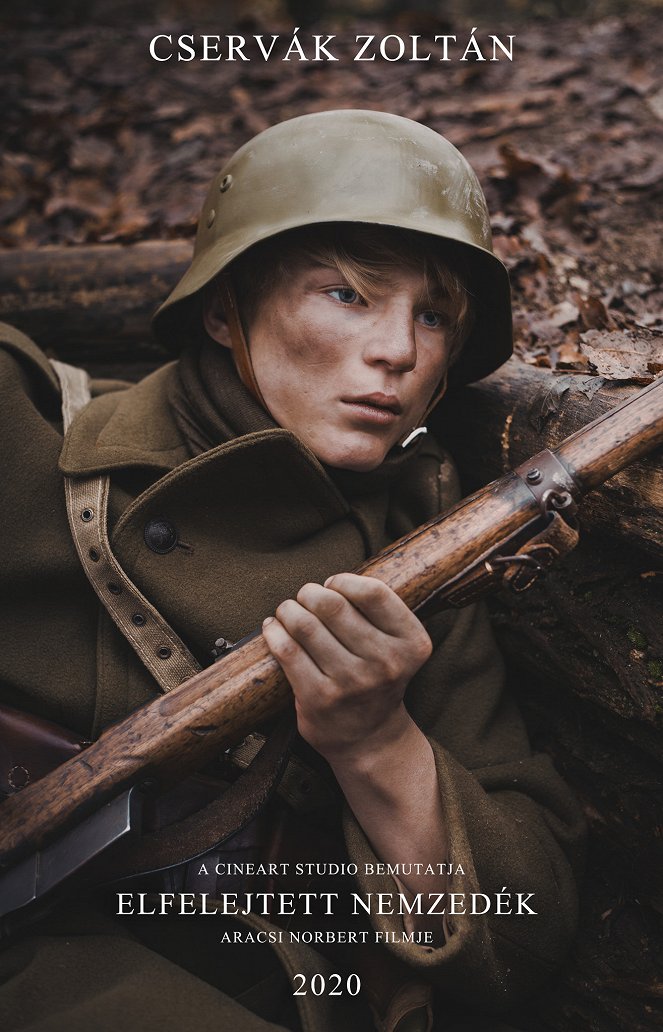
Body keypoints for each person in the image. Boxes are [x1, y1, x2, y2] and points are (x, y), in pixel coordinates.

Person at [0, 110, 585, 1032]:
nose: (398, 348)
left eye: (432, 315)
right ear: (224, 307)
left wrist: (377, 744)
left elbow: (526, 939)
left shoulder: (426, 550)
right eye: (346, 295)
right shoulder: (24, 428)